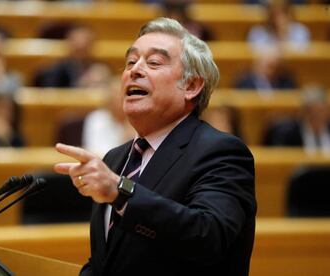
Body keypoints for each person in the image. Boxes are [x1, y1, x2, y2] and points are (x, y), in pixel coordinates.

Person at [54, 17, 256, 276]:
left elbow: (209, 237)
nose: (134, 70)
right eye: (130, 61)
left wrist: (121, 191)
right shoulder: (116, 158)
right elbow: (107, 264)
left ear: (192, 86)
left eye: (153, 63)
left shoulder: (222, 152)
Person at [263, 85, 330, 154]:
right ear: (304, 112)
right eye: (314, 113)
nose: (318, 117)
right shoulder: (288, 134)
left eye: (322, 111)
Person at [34, 25, 104, 88]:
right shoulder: (54, 71)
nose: (81, 46)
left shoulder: (101, 68)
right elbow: (51, 95)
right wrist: (81, 84)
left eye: (86, 46)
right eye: (78, 48)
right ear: (69, 44)